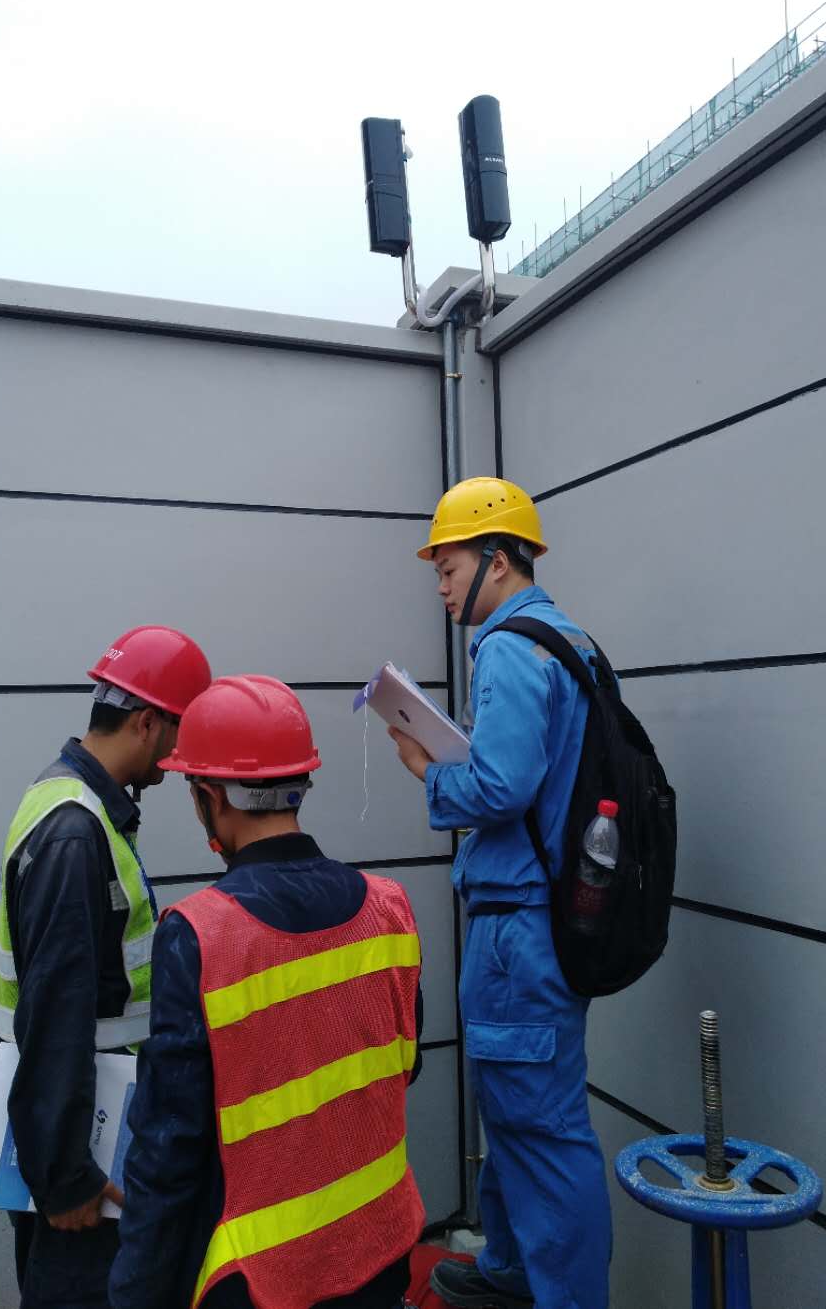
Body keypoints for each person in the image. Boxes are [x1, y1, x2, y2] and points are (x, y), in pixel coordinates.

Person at [109, 674, 426, 1309]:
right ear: (300, 783)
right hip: (382, 1248)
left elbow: (169, 1149)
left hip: (264, 1280)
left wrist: (134, 1290)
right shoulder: (389, 907)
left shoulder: (200, 934)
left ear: (208, 797)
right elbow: (404, 1066)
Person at [389, 476, 613, 1309]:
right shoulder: (569, 640)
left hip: (521, 929)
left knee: (542, 1129)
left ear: (498, 557)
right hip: (539, 919)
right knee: (516, 1111)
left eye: (447, 568)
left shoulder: (511, 646)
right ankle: (514, 1271)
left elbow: (502, 786)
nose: (441, 587)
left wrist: (427, 767)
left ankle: (562, 1295)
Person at [0, 623, 212, 1308]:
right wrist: (67, 1179)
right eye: (179, 732)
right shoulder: (74, 833)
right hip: (82, 1152)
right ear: (147, 722)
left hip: (87, 1127)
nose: (180, 756)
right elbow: (56, 1014)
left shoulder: (72, 804)